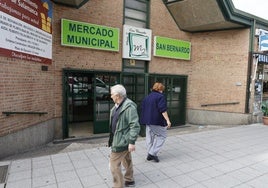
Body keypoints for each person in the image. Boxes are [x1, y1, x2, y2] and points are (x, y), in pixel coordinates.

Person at [108, 84, 140, 188]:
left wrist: (131, 142)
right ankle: (129, 180)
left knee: (113, 165)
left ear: (117, 95)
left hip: (122, 141)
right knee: (126, 159)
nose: (110, 96)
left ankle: (118, 185)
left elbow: (134, 126)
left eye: (112, 94)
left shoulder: (129, 107)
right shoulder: (117, 106)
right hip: (119, 138)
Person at [140, 82, 172, 162]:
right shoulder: (160, 97)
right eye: (162, 89)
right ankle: (152, 153)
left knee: (149, 137)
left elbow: (142, 108)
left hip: (147, 121)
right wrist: (168, 120)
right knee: (162, 135)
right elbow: (163, 110)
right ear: (160, 89)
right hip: (156, 121)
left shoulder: (147, 97)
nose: (163, 91)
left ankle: (150, 154)